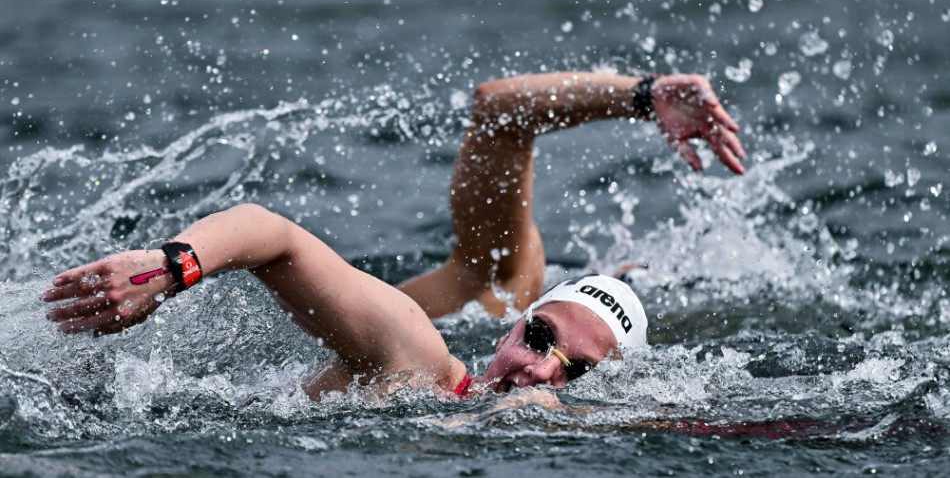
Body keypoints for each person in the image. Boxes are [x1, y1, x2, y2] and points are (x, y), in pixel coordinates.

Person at [43, 72, 746, 400]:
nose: (539, 366)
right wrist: (171, 266)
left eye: (576, 368)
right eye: (537, 336)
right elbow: (498, 110)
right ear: (520, 322)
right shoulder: (445, 331)